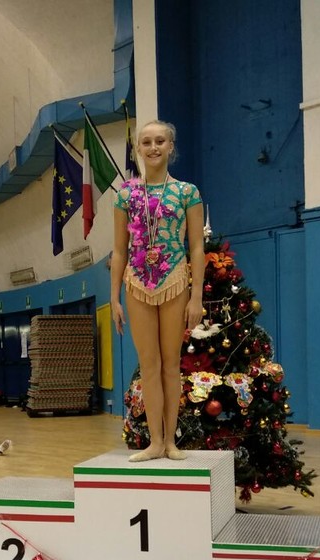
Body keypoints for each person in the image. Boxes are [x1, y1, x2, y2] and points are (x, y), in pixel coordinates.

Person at [111, 120, 205, 462]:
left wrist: (196, 296)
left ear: (170, 147)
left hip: (174, 280)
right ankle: (154, 442)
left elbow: (197, 247)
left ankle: (171, 443)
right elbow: (119, 250)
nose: (153, 147)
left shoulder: (187, 192)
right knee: (148, 364)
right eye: (147, 142)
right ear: (138, 148)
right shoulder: (125, 195)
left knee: (171, 364)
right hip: (137, 283)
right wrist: (113, 298)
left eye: (160, 141)